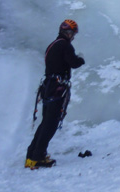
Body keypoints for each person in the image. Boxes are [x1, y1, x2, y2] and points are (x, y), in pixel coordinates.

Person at [25, 19, 85, 169]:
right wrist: (81, 59)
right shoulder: (65, 46)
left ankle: (31, 156)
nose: (73, 37)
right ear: (69, 33)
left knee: (46, 122)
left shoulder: (52, 45)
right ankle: (38, 157)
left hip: (48, 86)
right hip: (57, 88)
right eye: (73, 34)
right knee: (50, 124)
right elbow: (74, 63)